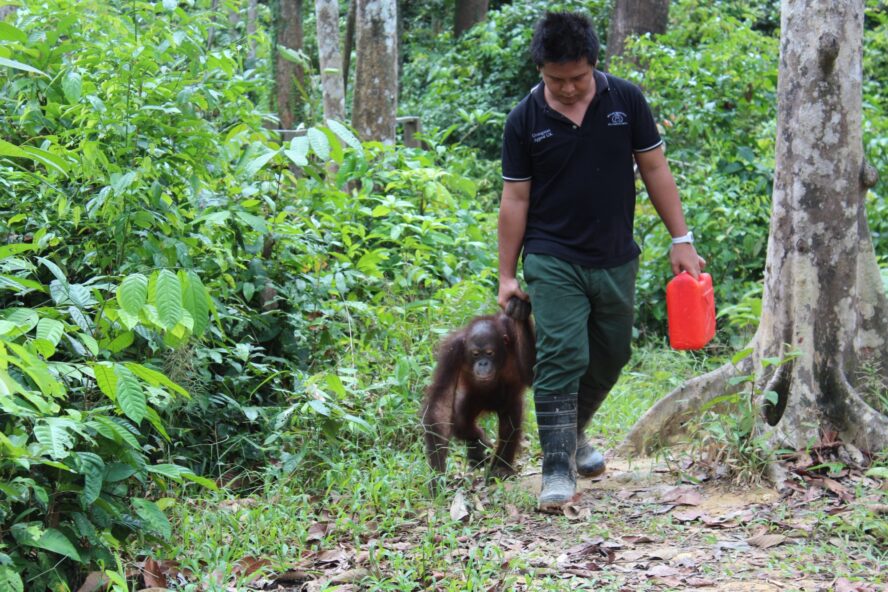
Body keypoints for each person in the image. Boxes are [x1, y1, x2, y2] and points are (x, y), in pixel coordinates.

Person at [497, 11, 705, 512]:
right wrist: (506, 275)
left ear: (594, 63)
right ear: (540, 71)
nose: (567, 89)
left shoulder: (625, 100)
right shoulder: (524, 119)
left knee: (611, 353)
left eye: (577, 78)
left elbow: (654, 166)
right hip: (551, 255)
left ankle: (575, 432)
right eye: (555, 80)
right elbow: (515, 200)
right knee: (562, 355)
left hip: (615, 255)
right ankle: (556, 467)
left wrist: (682, 238)